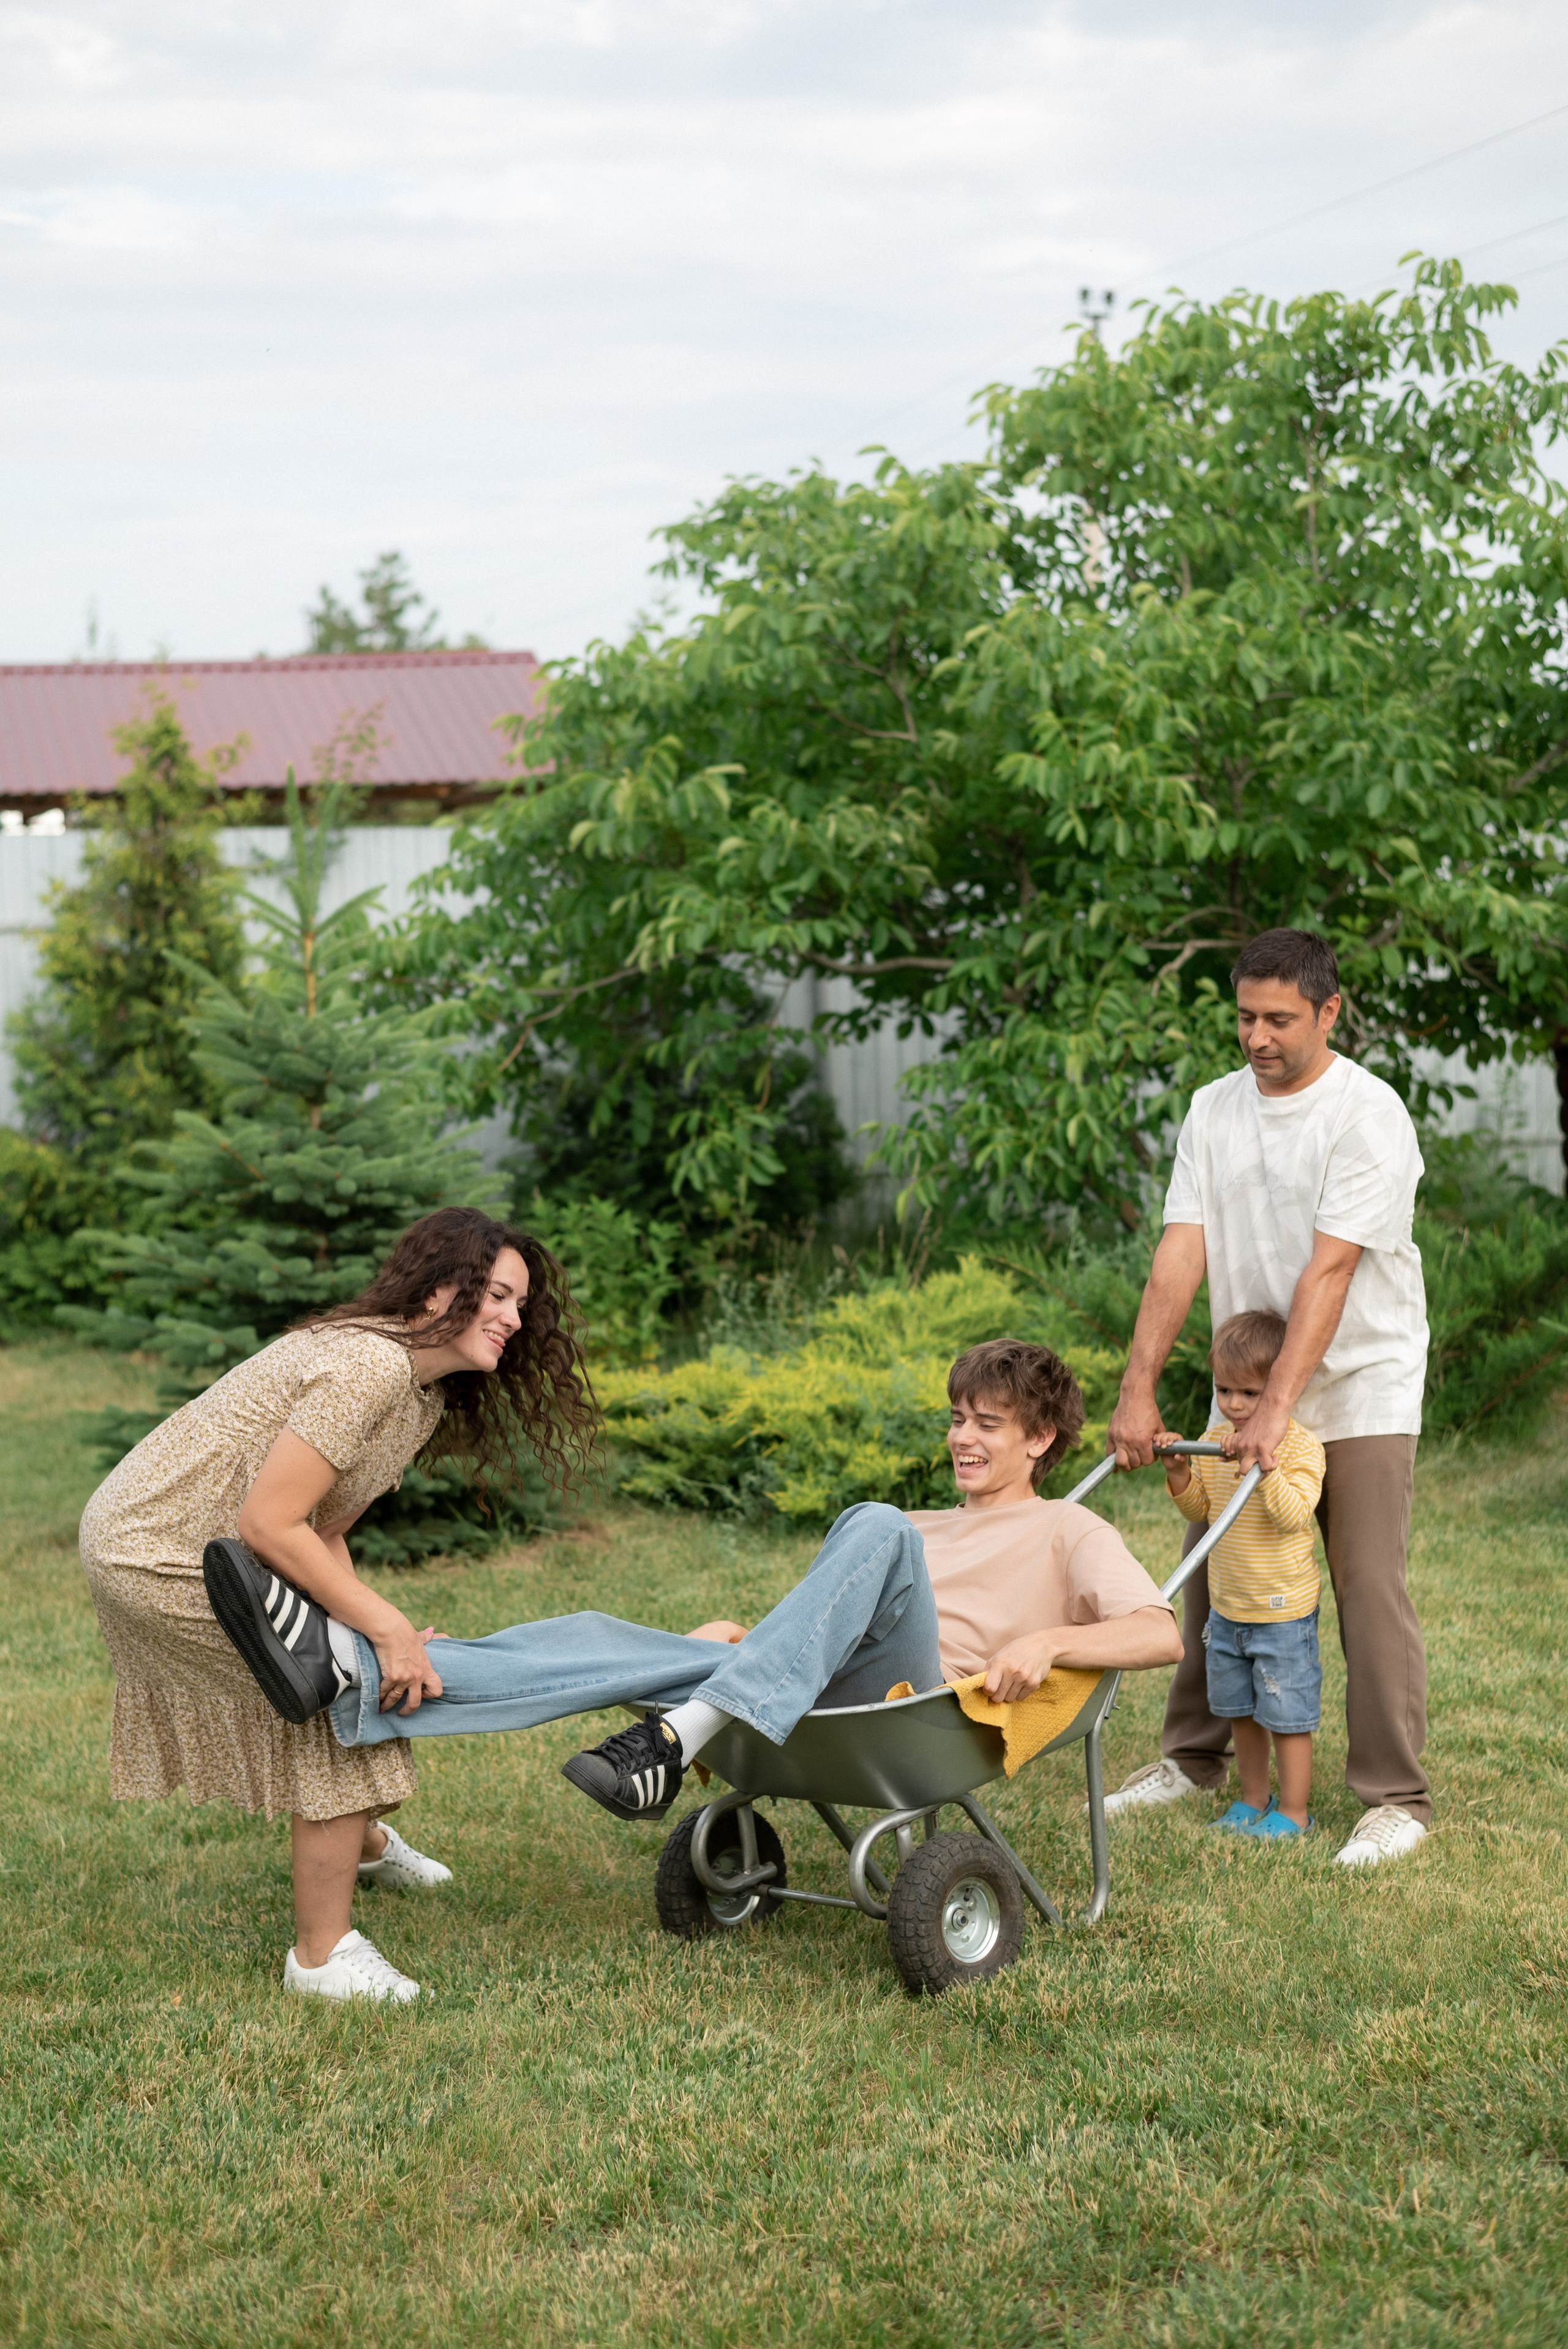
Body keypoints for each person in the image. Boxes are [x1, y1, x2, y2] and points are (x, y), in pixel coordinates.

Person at [208, 1338, 1182, 1985]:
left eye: (988, 1424)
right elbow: (818, 1627)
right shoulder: (920, 1524)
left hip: (922, 1703)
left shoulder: (1067, 1525)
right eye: (958, 1417)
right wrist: (745, 1637)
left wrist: (1053, 1638)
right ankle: (359, 1664)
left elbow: (1158, 1631)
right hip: (801, 1692)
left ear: (1042, 1439)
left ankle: (683, 1732)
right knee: (604, 1638)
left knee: (874, 1525)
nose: (962, 1437)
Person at [77, 1207, 596, 2007]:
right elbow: (267, 1523)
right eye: (497, 1294)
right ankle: (322, 1957)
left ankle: (361, 1842)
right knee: (336, 1686)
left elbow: (320, 1528)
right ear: (438, 1291)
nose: (515, 1319)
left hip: (230, 1550)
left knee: (352, 1659)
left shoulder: (419, 1397)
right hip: (156, 1548)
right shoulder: (370, 1367)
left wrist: (365, 1617)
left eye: (521, 1303)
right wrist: (377, 1630)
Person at [1105, 927, 1432, 1870]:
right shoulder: (1213, 1110)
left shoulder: (1367, 1113)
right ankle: (1193, 1759)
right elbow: (1181, 1248)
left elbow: (1330, 1272)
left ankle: (1393, 1796)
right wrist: (1139, 1387)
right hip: (1248, 1382)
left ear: (1329, 1012)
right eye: (1246, 1015)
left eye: (1280, 1018)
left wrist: (1284, 1406)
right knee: (1217, 1566)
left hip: (1360, 1379)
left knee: (1367, 1580)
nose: (1257, 1036)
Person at [1164, 1311, 1326, 1840]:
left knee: (1287, 1715)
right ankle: (1254, 1798)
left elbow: (1293, 1515)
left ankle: (1295, 1811)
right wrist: (1182, 1473)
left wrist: (1264, 1465)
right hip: (1228, 1610)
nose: (1234, 1404)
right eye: (1225, 1390)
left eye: (1250, 1393)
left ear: (1280, 1390)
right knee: (1243, 1710)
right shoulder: (1216, 1442)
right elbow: (1202, 1511)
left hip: (1282, 1613)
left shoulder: (1301, 1449)